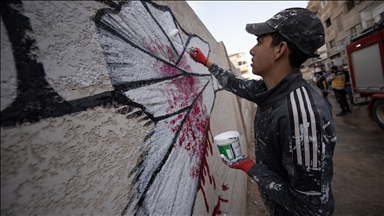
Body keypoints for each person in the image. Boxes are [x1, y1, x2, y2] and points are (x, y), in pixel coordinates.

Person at [189, 7, 336, 216]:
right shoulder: (269, 89)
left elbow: (310, 208)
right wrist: (206, 62)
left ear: (280, 49)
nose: (251, 50)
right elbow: (234, 83)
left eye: (259, 41)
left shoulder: (303, 116)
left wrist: (249, 166)